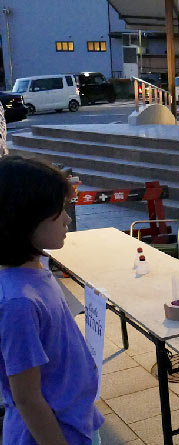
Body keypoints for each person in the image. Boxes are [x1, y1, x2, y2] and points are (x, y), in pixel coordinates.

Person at [0, 156, 104, 444]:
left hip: (77, 419)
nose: (68, 218)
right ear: (25, 219)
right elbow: (27, 399)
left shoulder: (37, 270)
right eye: (59, 211)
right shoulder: (17, 303)